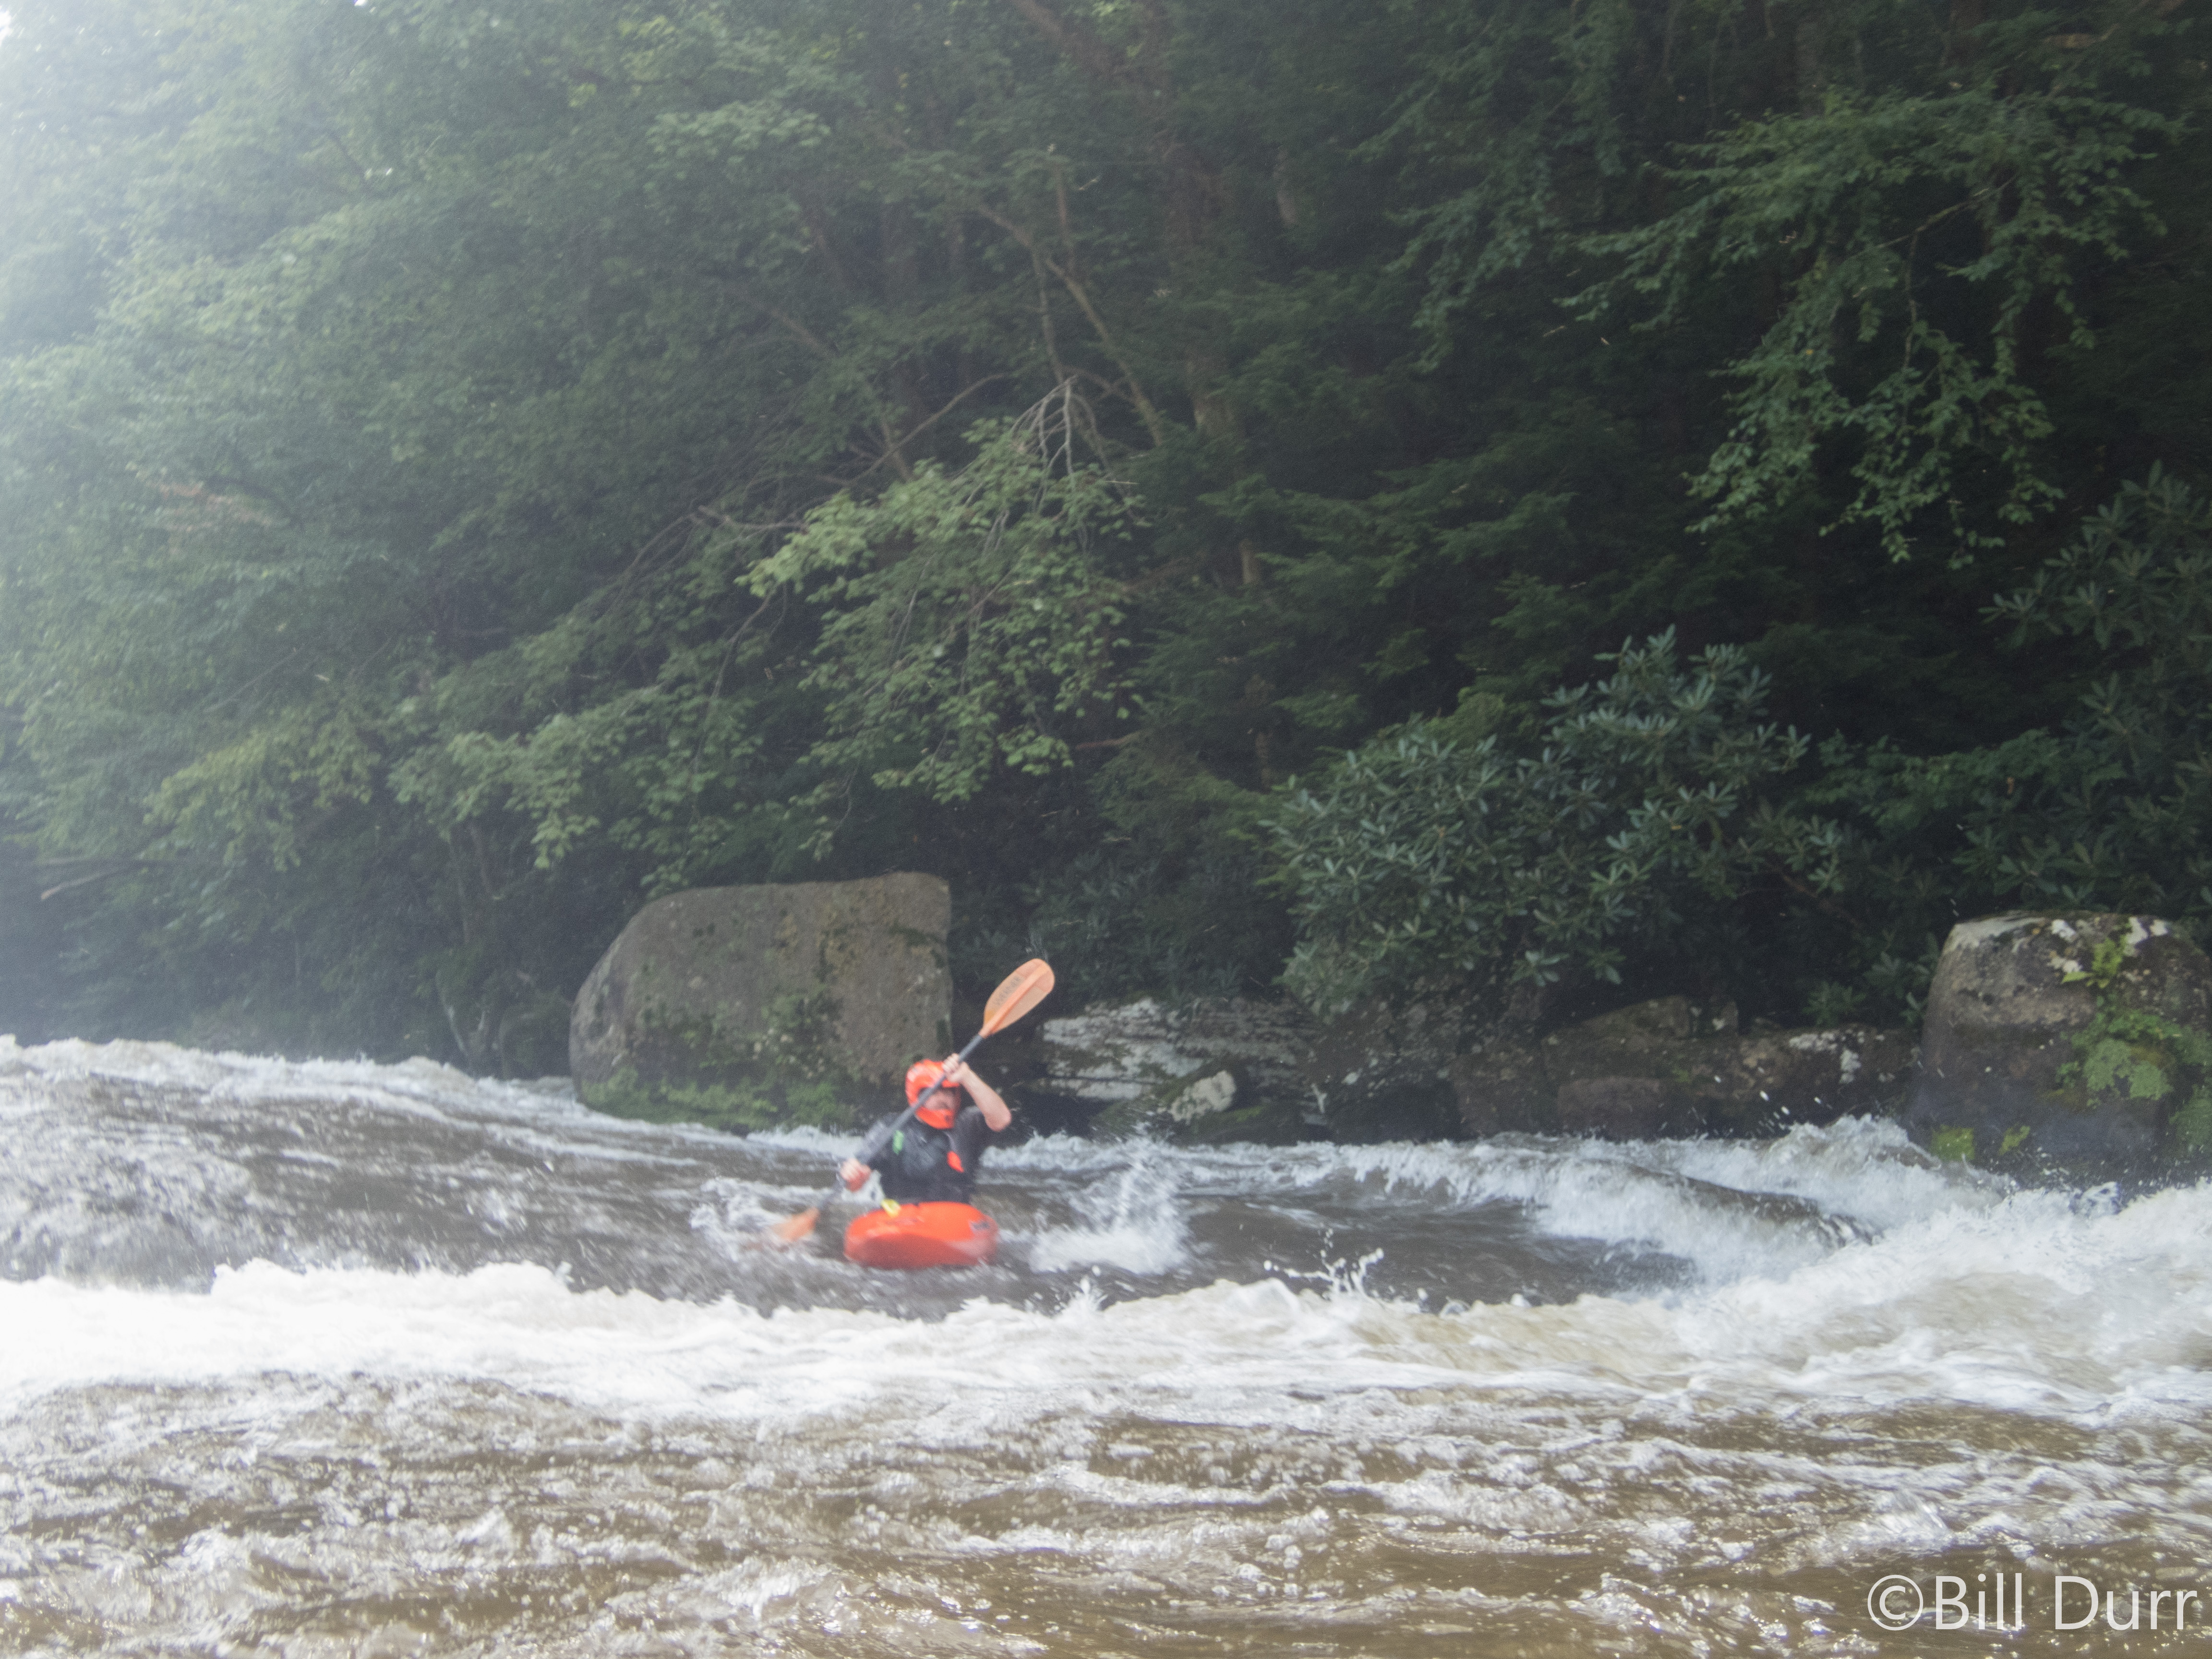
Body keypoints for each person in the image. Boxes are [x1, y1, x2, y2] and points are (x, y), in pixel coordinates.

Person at [840, 1055, 1011, 1206]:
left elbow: (1002, 1119)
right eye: (934, 1092)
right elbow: (856, 1183)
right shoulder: (893, 1127)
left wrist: (968, 1077)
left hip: (953, 1218)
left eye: (949, 1093)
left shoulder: (967, 1124)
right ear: (917, 1095)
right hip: (902, 1218)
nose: (943, 1099)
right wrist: (854, 1176)